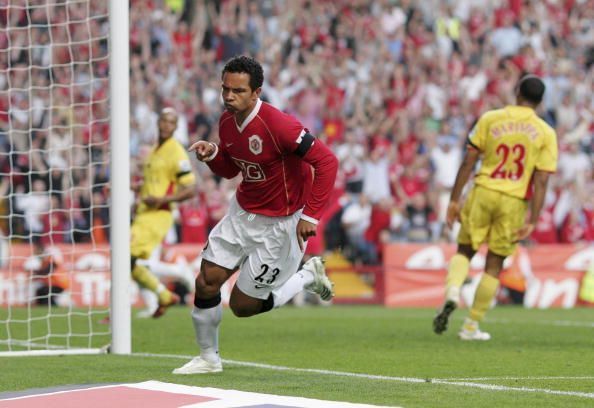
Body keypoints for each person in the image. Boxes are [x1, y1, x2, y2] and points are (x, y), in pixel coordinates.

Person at [173, 55, 338, 374]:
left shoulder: (280, 125)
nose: (229, 96)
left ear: (256, 92)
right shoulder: (226, 121)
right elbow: (234, 169)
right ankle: (209, 359)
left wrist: (311, 215)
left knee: (242, 307)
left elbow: (327, 162)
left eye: (237, 91)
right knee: (206, 282)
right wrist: (214, 156)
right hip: (243, 214)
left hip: (282, 226)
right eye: (225, 89)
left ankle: (306, 277)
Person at [432, 75, 558, 340]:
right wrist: (533, 219)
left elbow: (469, 161)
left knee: (465, 250)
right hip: (513, 202)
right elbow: (542, 179)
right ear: (540, 101)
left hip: (484, 191)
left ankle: (453, 290)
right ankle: (471, 326)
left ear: (517, 92)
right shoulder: (546, 132)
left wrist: (455, 199)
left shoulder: (491, 118)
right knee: (494, 264)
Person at [130, 107, 197, 318]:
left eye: (172, 122)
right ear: (158, 123)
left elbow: (189, 189)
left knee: (128, 259)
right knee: (131, 262)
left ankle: (177, 275)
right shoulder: (153, 151)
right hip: (143, 213)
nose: (167, 125)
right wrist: (134, 188)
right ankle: (162, 295)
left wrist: (161, 199)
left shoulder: (176, 152)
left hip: (158, 214)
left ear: (176, 127)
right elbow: (152, 184)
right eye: (164, 121)